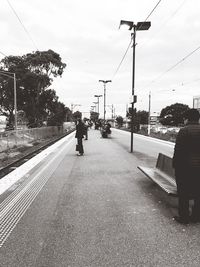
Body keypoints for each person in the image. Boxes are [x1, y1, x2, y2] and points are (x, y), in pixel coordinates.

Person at [172, 108, 200, 224]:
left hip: (185, 167)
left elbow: (178, 151)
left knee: (183, 192)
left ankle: (184, 217)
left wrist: (175, 165)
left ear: (187, 118)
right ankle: (196, 216)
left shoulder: (184, 131)